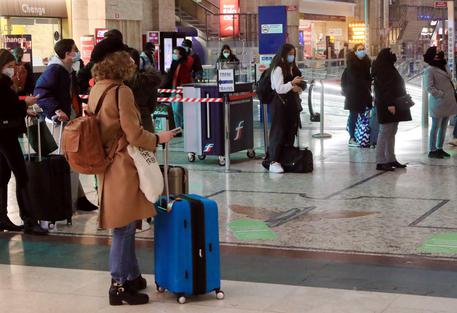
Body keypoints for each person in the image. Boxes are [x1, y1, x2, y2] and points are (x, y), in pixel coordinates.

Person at [89, 50, 175, 305]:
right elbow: (134, 133)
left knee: (126, 222)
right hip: (123, 164)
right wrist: (158, 138)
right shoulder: (121, 91)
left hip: (106, 162)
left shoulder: (97, 89)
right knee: (123, 227)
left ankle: (132, 276)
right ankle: (118, 286)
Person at [34, 39, 97, 212]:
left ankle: (78, 198)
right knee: (65, 161)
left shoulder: (66, 70)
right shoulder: (55, 70)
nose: (76, 53)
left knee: (71, 160)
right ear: (66, 54)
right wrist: (56, 110)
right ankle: (66, 201)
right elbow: (41, 92)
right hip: (58, 124)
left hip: (70, 121)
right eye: (73, 50)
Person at [0, 49, 48, 235]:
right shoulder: (2, 84)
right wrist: (25, 104)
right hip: (5, 134)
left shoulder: (5, 83)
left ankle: (2, 217)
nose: (13, 70)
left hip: (4, 131)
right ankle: (29, 219)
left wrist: (21, 110)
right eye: (10, 67)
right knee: (22, 174)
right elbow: (6, 107)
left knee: (3, 175)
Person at [265, 44, 305, 173]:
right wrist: (292, 84)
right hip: (280, 105)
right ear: (284, 54)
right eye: (290, 54)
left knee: (289, 131)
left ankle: (285, 158)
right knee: (278, 132)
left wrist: (298, 87)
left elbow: (299, 84)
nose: (292, 56)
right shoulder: (278, 69)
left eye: (293, 53)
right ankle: (273, 160)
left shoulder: (291, 68)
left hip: (290, 105)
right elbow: (279, 88)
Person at [372, 48, 412, 171]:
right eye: (390, 54)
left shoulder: (388, 67)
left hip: (394, 103)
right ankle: (380, 161)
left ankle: (390, 158)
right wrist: (390, 104)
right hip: (387, 105)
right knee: (385, 132)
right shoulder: (383, 69)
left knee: (391, 132)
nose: (393, 55)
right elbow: (384, 89)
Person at [423, 47, 457, 158]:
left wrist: (445, 62)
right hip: (438, 102)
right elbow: (429, 87)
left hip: (447, 102)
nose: (439, 53)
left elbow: (450, 76)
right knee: (435, 126)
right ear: (432, 55)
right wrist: (440, 94)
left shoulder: (442, 65)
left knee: (444, 127)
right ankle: (432, 150)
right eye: (437, 52)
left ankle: (440, 148)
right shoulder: (429, 70)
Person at [341, 43, 373, 147]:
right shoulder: (351, 65)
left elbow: (368, 78)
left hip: (364, 93)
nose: (362, 51)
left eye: (363, 49)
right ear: (355, 51)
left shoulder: (366, 63)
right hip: (354, 94)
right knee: (354, 115)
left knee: (364, 117)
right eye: (359, 49)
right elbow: (354, 80)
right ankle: (352, 137)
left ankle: (363, 137)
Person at [77, 29, 127, 94]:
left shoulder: (126, 57)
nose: (105, 44)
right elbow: (82, 75)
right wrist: (89, 90)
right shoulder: (99, 60)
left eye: (108, 41)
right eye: (104, 41)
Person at [127, 48, 162, 132]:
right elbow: (152, 105)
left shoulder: (119, 83)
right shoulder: (148, 81)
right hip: (145, 122)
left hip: (125, 126)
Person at [163, 46, 192, 130]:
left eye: (176, 53)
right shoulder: (174, 64)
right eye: (173, 53)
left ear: (181, 55)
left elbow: (184, 80)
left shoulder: (183, 66)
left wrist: (180, 93)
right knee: (175, 112)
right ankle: (178, 129)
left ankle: (184, 126)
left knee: (178, 110)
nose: (173, 55)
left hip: (178, 92)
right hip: (173, 91)